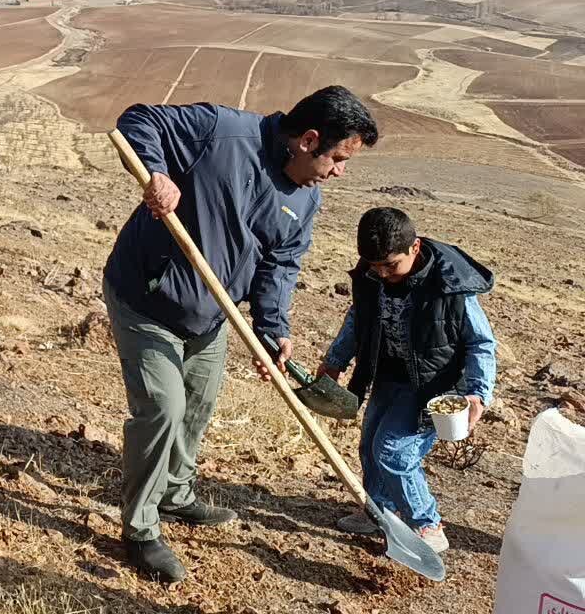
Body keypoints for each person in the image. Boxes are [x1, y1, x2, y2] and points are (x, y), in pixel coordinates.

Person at [103, 85, 379, 583]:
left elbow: (280, 266)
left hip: (211, 317)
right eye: (338, 158)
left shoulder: (305, 199)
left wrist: (273, 329)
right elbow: (138, 120)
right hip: (145, 299)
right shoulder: (223, 132)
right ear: (308, 140)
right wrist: (157, 172)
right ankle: (140, 528)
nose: (340, 171)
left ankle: (175, 493)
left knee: (197, 405)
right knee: (163, 408)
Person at [318, 207, 497, 554]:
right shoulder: (371, 275)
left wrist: (478, 393)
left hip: (433, 386)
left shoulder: (451, 284)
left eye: (391, 265)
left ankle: (427, 525)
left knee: (394, 453)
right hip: (387, 375)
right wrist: (335, 360)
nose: (383, 274)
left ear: (414, 248)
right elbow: (358, 318)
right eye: (375, 266)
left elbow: (481, 342)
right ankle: (379, 513)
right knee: (370, 445)